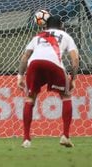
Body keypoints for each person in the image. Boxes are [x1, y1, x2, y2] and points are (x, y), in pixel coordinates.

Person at [17, 15, 79, 148]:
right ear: (61, 26)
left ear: (45, 26)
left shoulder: (37, 37)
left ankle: (26, 140)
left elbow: (25, 57)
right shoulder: (65, 36)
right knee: (66, 96)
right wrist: (73, 78)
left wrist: (20, 76)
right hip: (54, 65)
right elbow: (75, 59)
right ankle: (65, 136)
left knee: (30, 99)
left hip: (34, 64)